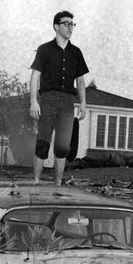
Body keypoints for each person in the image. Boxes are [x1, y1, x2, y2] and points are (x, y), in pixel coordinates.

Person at [29, 10, 89, 186]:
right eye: (66, 24)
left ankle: (58, 185)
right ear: (56, 26)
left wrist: (83, 103)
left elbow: (80, 80)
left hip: (67, 102)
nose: (70, 27)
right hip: (48, 99)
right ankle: (36, 182)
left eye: (72, 24)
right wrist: (33, 101)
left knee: (63, 147)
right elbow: (34, 77)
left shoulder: (76, 52)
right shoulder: (44, 49)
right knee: (43, 143)